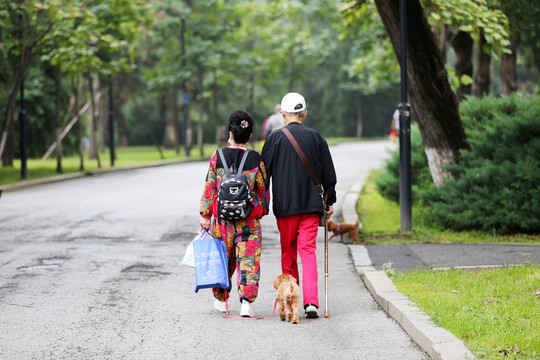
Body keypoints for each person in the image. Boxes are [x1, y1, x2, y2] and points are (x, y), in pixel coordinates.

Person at [261, 92, 337, 319]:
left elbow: (264, 174)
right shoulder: (316, 137)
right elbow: (328, 173)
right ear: (305, 113)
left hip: (285, 207)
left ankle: (289, 296)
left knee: (288, 252)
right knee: (308, 251)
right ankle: (311, 302)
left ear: (282, 113)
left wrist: (263, 202)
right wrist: (329, 200)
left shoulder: (274, 139)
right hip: (312, 206)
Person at [199, 110, 270, 318]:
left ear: (230, 133)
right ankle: (246, 302)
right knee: (248, 259)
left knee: (223, 257)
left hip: (222, 220)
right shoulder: (256, 159)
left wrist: (205, 214)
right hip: (248, 221)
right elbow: (264, 192)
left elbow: (209, 187)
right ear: (249, 136)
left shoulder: (217, 156)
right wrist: (260, 210)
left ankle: (221, 299)